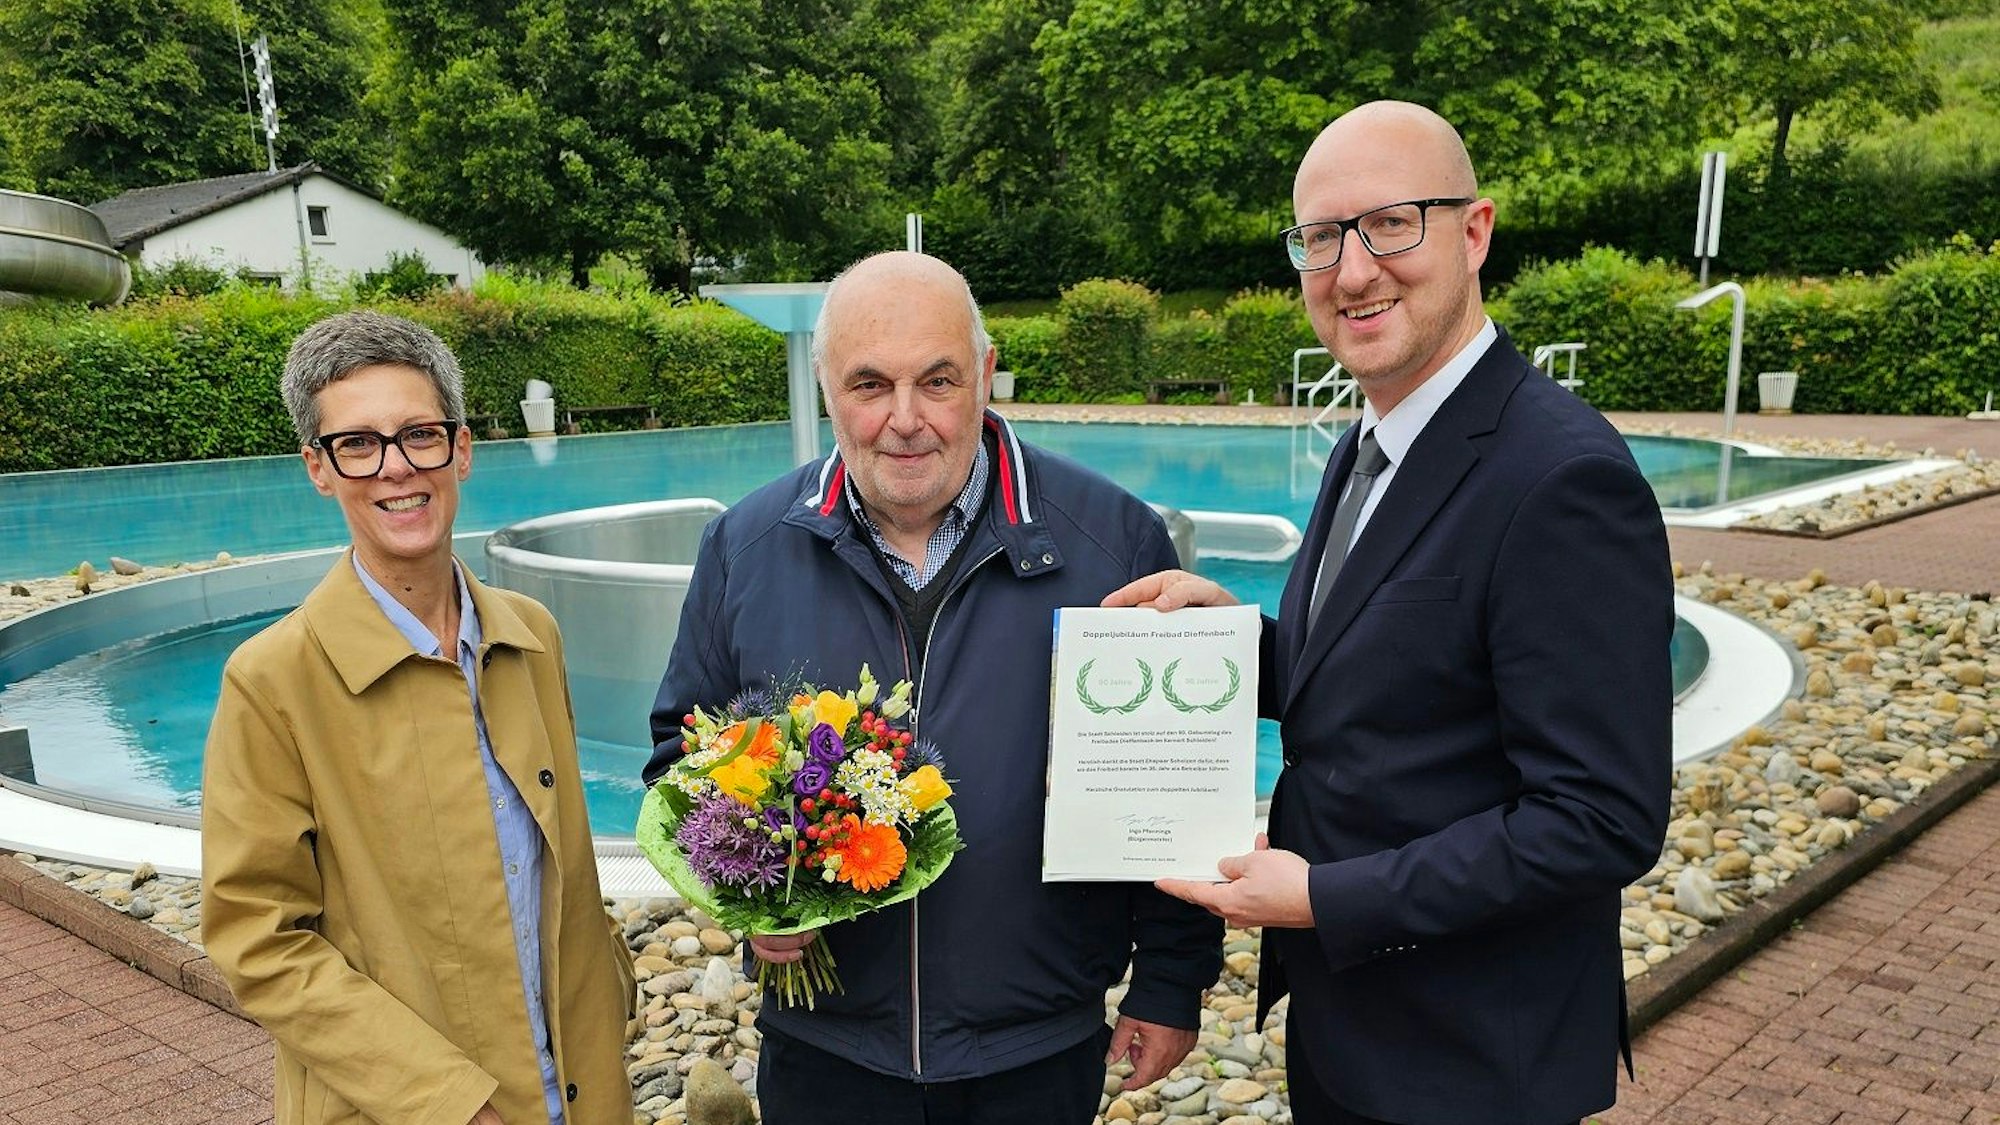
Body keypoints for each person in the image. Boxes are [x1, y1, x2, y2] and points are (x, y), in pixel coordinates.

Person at [1106, 101, 1673, 1123]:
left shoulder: (1558, 479)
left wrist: (1325, 899)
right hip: (1354, 1029)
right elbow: (1402, 683)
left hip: (1470, 1060)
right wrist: (1235, 644)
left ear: (1474, 231)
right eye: (1319, 238)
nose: (1352, 270)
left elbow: (1598, 819)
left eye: (1390, 223)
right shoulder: (1368, 444)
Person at [646, 251, 1221, 1123]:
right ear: (824, 385)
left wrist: (1172, 981)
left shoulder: (1111, 542)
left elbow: (1171, 782)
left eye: (938, 381)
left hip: (1033, 1047)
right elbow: (678, 757)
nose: (904, 420)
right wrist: (751, 894)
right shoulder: (745, 547)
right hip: (825, 1048)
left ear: (987, 375)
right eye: (869, 384)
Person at [201, 310, 635, 1125]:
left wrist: (608, 987)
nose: (396, 468)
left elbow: (558, 863)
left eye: (419, 434)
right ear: (318, 468)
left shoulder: (532, 634)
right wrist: (446, 1104)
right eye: (358, 443)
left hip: (580, 1091)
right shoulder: (272, 683)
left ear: (460, 448)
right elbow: (260, 942)